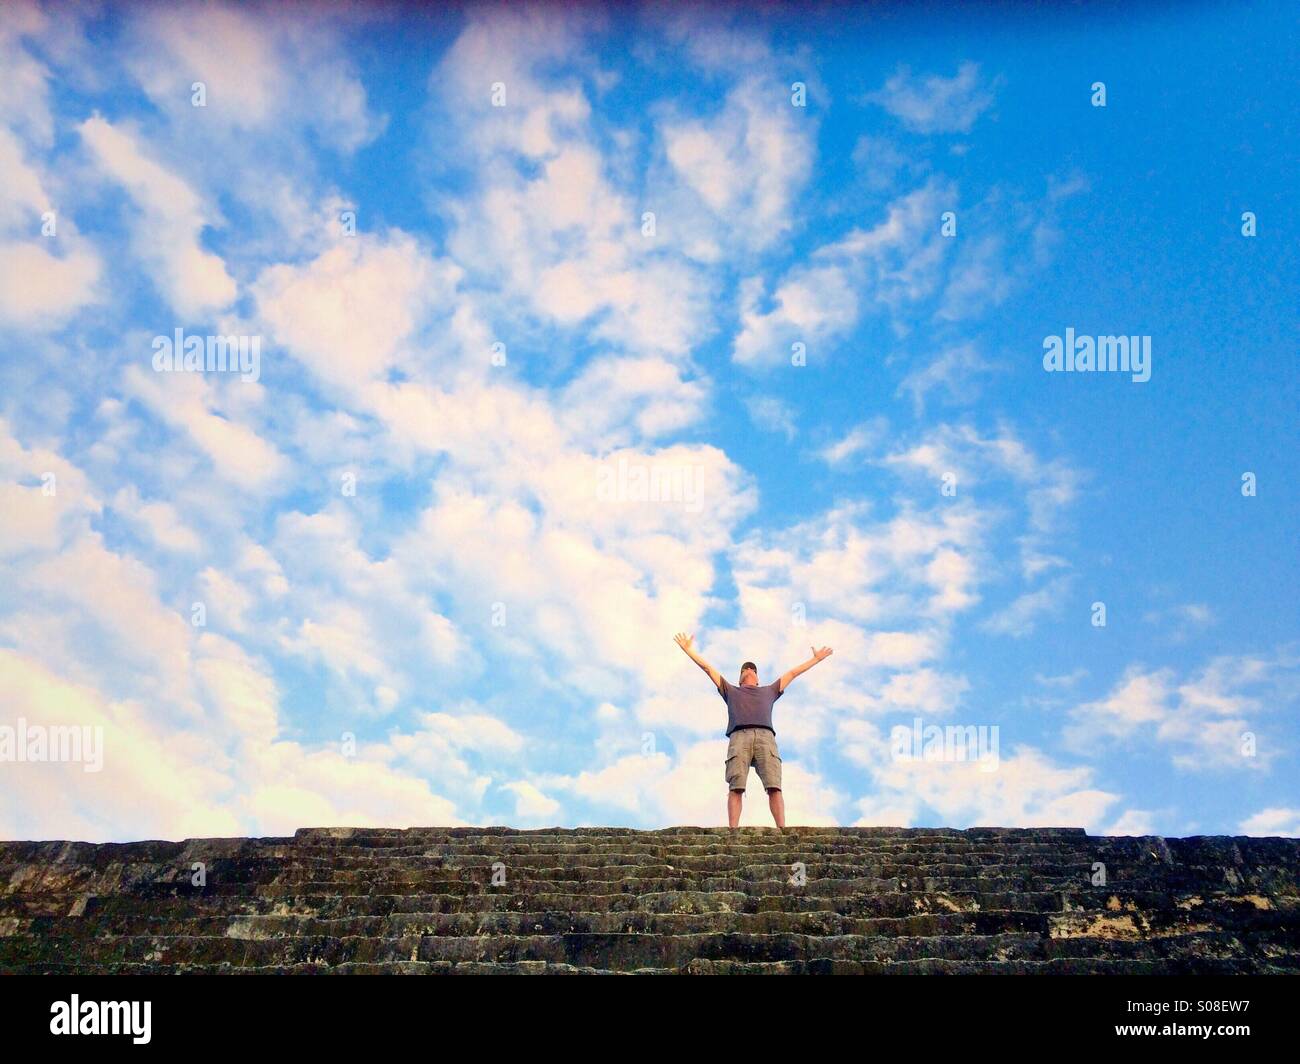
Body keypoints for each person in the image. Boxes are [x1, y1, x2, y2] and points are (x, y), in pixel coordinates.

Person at [673, 633, 833, 829]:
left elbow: (792, 673)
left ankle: (782, 829)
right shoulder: (731, 691)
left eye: (752, 669)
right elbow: (708, 669)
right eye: (744, 669)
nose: (748, 670)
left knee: (774, 785)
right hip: (739, 736)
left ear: (757, 679)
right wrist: (689, 650)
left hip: (766, 737)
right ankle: (733, 830)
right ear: (740, 679)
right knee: (736, 786)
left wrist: (815, 659)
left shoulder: (769, 690)